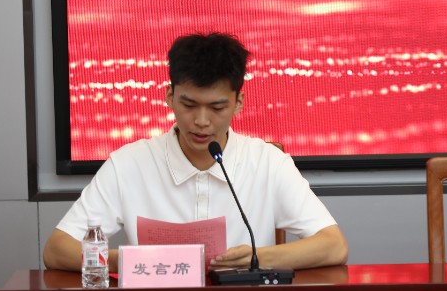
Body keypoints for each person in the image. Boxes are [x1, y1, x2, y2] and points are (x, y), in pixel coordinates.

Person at [43, 32, 348, 272]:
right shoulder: (129, 164)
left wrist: (255, 258)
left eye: (217, 108)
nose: (201, 121)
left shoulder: (268, 163)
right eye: (189, 105)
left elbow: (333, 246)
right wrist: (133, 261)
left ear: (238, 103)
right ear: (169, 96)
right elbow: (57, 250)